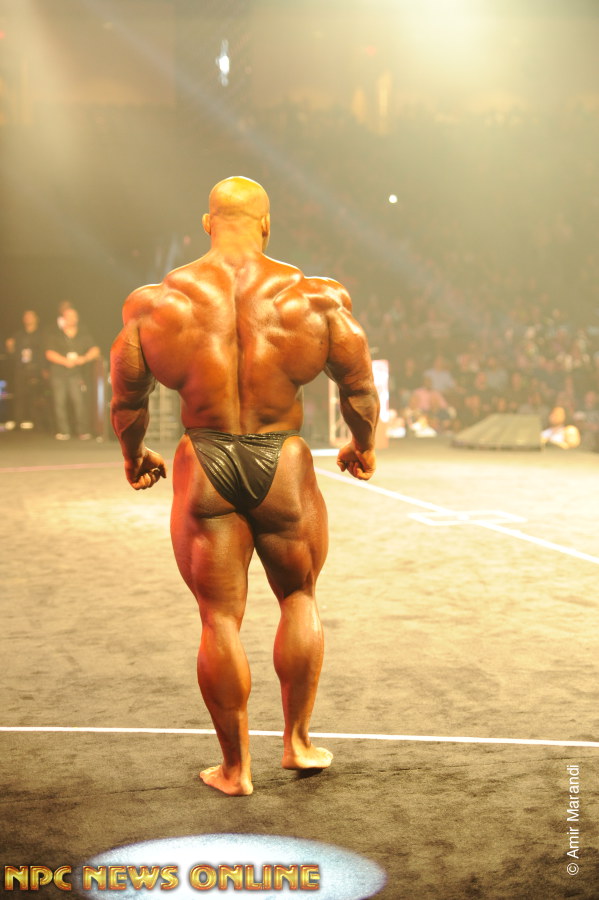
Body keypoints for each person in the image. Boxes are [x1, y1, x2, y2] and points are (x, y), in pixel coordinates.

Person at [110, 176, 379, 796]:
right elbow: (359, 387)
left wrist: (134, 455)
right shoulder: (314, 297)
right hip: (282, 461)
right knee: (299, 598)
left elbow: (127, 399)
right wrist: (361, 444)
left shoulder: (156, 303)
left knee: (218, 619)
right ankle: (298, 744)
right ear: (266, 223)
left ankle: (235, 770)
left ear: (208, 223)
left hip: (204, 459)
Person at [45, 307, 100, 439]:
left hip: (76, 374)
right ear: (63, 319)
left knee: (79, 401)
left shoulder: (83, 335)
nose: (71, 319)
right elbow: (49, 353)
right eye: (68, 316)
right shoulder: (55, 335)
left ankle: (82, 430)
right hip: (58, 373)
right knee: (59, 402)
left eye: (73, 316)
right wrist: (65, 361)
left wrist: (84, 358)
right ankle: (63, 431)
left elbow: (95, 350)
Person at [4, 310, 46, 430]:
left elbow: (44, 353)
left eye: (30, 316)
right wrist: (9, 346)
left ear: (36, 318)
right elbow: (12, 353)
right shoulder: (18, 335)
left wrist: (43, 369)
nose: (28, 318)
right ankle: (18, 422)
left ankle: (38, 423)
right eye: (26, 316)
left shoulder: (42, 335)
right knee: (19, 396)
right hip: (21, 368)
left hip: (36, 368)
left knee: (36, 396)